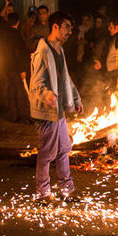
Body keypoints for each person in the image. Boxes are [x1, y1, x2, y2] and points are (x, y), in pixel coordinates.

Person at [29, 11, 83, 203]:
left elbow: (66, 78)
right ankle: (42, 193)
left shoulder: (59, 50)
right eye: (67, 27)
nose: (70, 32)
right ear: (55, 27)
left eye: (71, 28)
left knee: (64, 149)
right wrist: (47, 95)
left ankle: (66, 190)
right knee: (48, 153)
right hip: (46, 112)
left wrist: (75, 99)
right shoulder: (42, 52)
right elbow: (36, 84)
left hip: (58, 111)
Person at [0, 12, 31, 123]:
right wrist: (22, 69)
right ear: (18, 22)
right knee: (20, 90)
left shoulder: (3, 34)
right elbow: (20, 53)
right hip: (15, 67)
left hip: (6, 66)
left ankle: (14, 115)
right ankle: (24, 116)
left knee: (11, 89)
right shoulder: (16, 35)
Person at [93, 14, 118, 88]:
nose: (109, 29)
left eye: (111, 27)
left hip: (115, 72)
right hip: (110, 71)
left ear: (117, 27)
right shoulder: (113, 38)